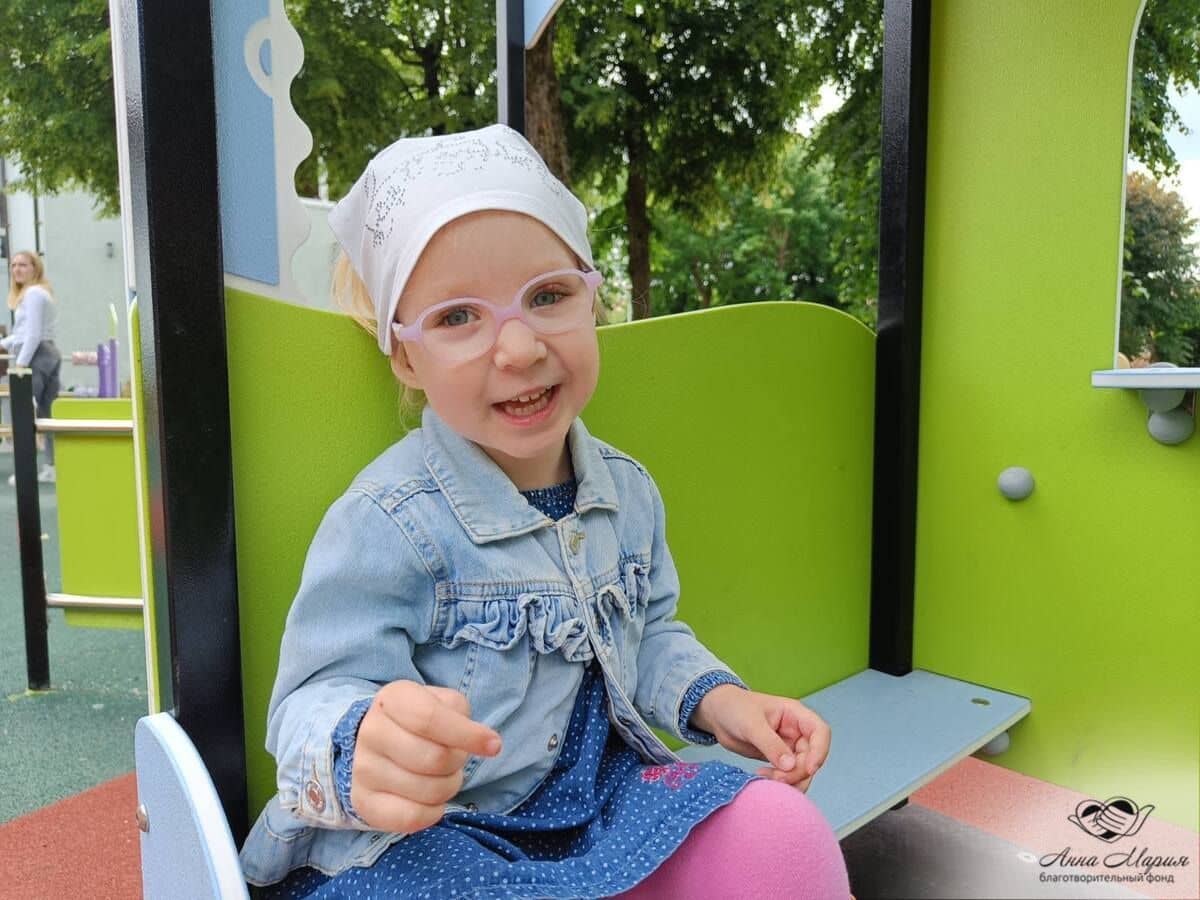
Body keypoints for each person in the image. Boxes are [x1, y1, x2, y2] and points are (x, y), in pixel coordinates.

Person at [239, 124, 852, 899]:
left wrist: (721, 702)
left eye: (549, 296)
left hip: (602, 802)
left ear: (592, 298)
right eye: (458, 317)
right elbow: (312, 697)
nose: (520, 348)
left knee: (782, 832)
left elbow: (648, 637)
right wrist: (360, 743)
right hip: (442, 836)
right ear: (405, 355)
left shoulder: (627, 491)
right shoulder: (389, 520)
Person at [2, 250, 60, 484]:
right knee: (47, 415)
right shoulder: (39, 293)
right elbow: (23, 334)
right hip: (47, 353)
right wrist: (4, 344)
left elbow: (33, 335)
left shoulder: (33, 294)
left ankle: (25, 471)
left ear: (35, 268)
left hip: (36, 356)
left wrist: (20, 365)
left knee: (22, 415)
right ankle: (52, 467)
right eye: (14, 265)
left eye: (23, 265)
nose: (17, 269)